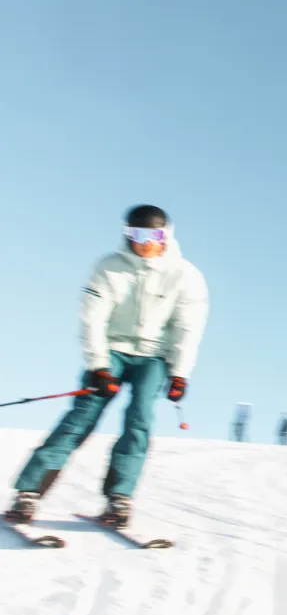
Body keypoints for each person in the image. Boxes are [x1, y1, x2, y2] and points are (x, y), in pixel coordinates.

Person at [6, 205, 209, 529]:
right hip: (111, 350)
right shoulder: (109, 267)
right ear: (127, 235)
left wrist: (180, 373)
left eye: (155, 236)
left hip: (153, 357)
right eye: (137, 235)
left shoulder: (187, 276)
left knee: (139, 419)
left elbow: (187, 328)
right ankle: (28, 494)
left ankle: (120, 498)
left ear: (166, 236)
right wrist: (99, 366)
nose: (146, 243)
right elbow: (92, 318)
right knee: (81, 417)